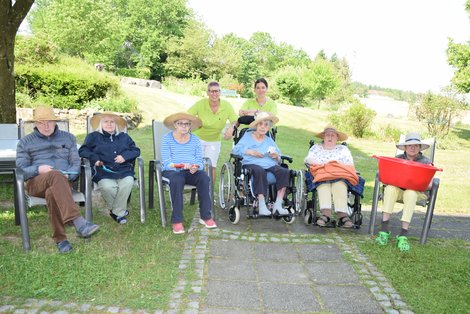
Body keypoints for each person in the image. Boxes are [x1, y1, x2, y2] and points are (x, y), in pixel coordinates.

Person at [16, 106, 100, 253]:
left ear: (55, 122)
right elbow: (21, 170)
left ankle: (61, 240)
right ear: (35, 123)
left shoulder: (68, 138)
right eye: (41, 122)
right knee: (55, 175)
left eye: (49, 121)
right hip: (36, 183)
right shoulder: (25, 142)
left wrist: (71, 175)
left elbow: (75, 163)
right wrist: (38, 169)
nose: (46, 126)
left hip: (63, 182)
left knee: (52, 192)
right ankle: (79, 222)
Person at [78, 112, 140, 224]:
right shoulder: (93, 137)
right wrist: (95, 158)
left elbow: (136, 150)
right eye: (106, 121)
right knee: (108, 187)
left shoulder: (124, 137)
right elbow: (83, 150)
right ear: (101, 124)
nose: (109, 124)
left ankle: (116, 212)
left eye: (112, 122)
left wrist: (124, 156)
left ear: (116, 124)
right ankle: (120, 211)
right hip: (103, 171)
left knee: (127, 183)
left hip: (123, 170)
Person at [161, 112, 217, 234]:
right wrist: (180, 165)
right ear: (175, 125)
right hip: (172, 171)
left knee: (204, 177)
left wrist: (196, 167)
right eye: (181, 123)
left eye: (187, 124)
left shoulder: (195, 140)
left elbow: (199, 161)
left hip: (191, 171)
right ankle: (177, 221)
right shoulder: (167, 138)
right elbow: (166, 162)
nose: (184, 126)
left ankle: (206, 216)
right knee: (177, 179)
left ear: (190, 126)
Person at [375, 132, 432, 252]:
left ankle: (403, 235)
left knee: (410, 193)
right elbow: (389, 176)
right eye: (409, 145)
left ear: (420, 148)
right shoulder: (398, 159)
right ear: (405, 147)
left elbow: (430, 183)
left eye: (416, 145)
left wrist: (422, 181)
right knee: (390, 189)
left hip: (416, 193)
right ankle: (384, 231)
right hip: (399, 190)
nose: (412, 147)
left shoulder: (426, 162)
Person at [232, 112, 291, 216]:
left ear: (268, 127)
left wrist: (276, 156)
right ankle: (262, 205)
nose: (263, 127)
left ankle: (278, 205)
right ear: (256, 125)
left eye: (266, 125)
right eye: (261, 124)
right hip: (251, 163)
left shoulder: (269, 140)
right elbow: (235, 150)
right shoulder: (248, 136)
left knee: (284, 172)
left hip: (269, 164)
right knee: (260, 171)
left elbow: (279, 155)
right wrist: (250, 151)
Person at [304, 126, 359, 228]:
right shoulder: (316, 148)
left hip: (339, 175)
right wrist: (329, 165)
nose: (330, 137)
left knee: (340, 185)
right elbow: (308, 160)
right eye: (327, 135)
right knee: (323, 185)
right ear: (323, 137)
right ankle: (326, 214)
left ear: (337, 138)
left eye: (333, 135)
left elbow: (349, 163)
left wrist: (329, 165)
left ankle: (342, 215)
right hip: (322, 175)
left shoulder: (343, 149)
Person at [187, 81, 238, 181]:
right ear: (207, 93)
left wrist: (232, 127)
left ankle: (209, 193)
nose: (214, 94)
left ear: (220, 92)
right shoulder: (201, 104)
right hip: (198, 138)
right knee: (196, 165)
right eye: (211, 91)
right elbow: (187, 115)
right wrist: (194, 123)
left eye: (216, 91)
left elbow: (235, 120)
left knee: (211, 167)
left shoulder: (226, 106)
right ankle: (197, 188)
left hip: (214, 140)